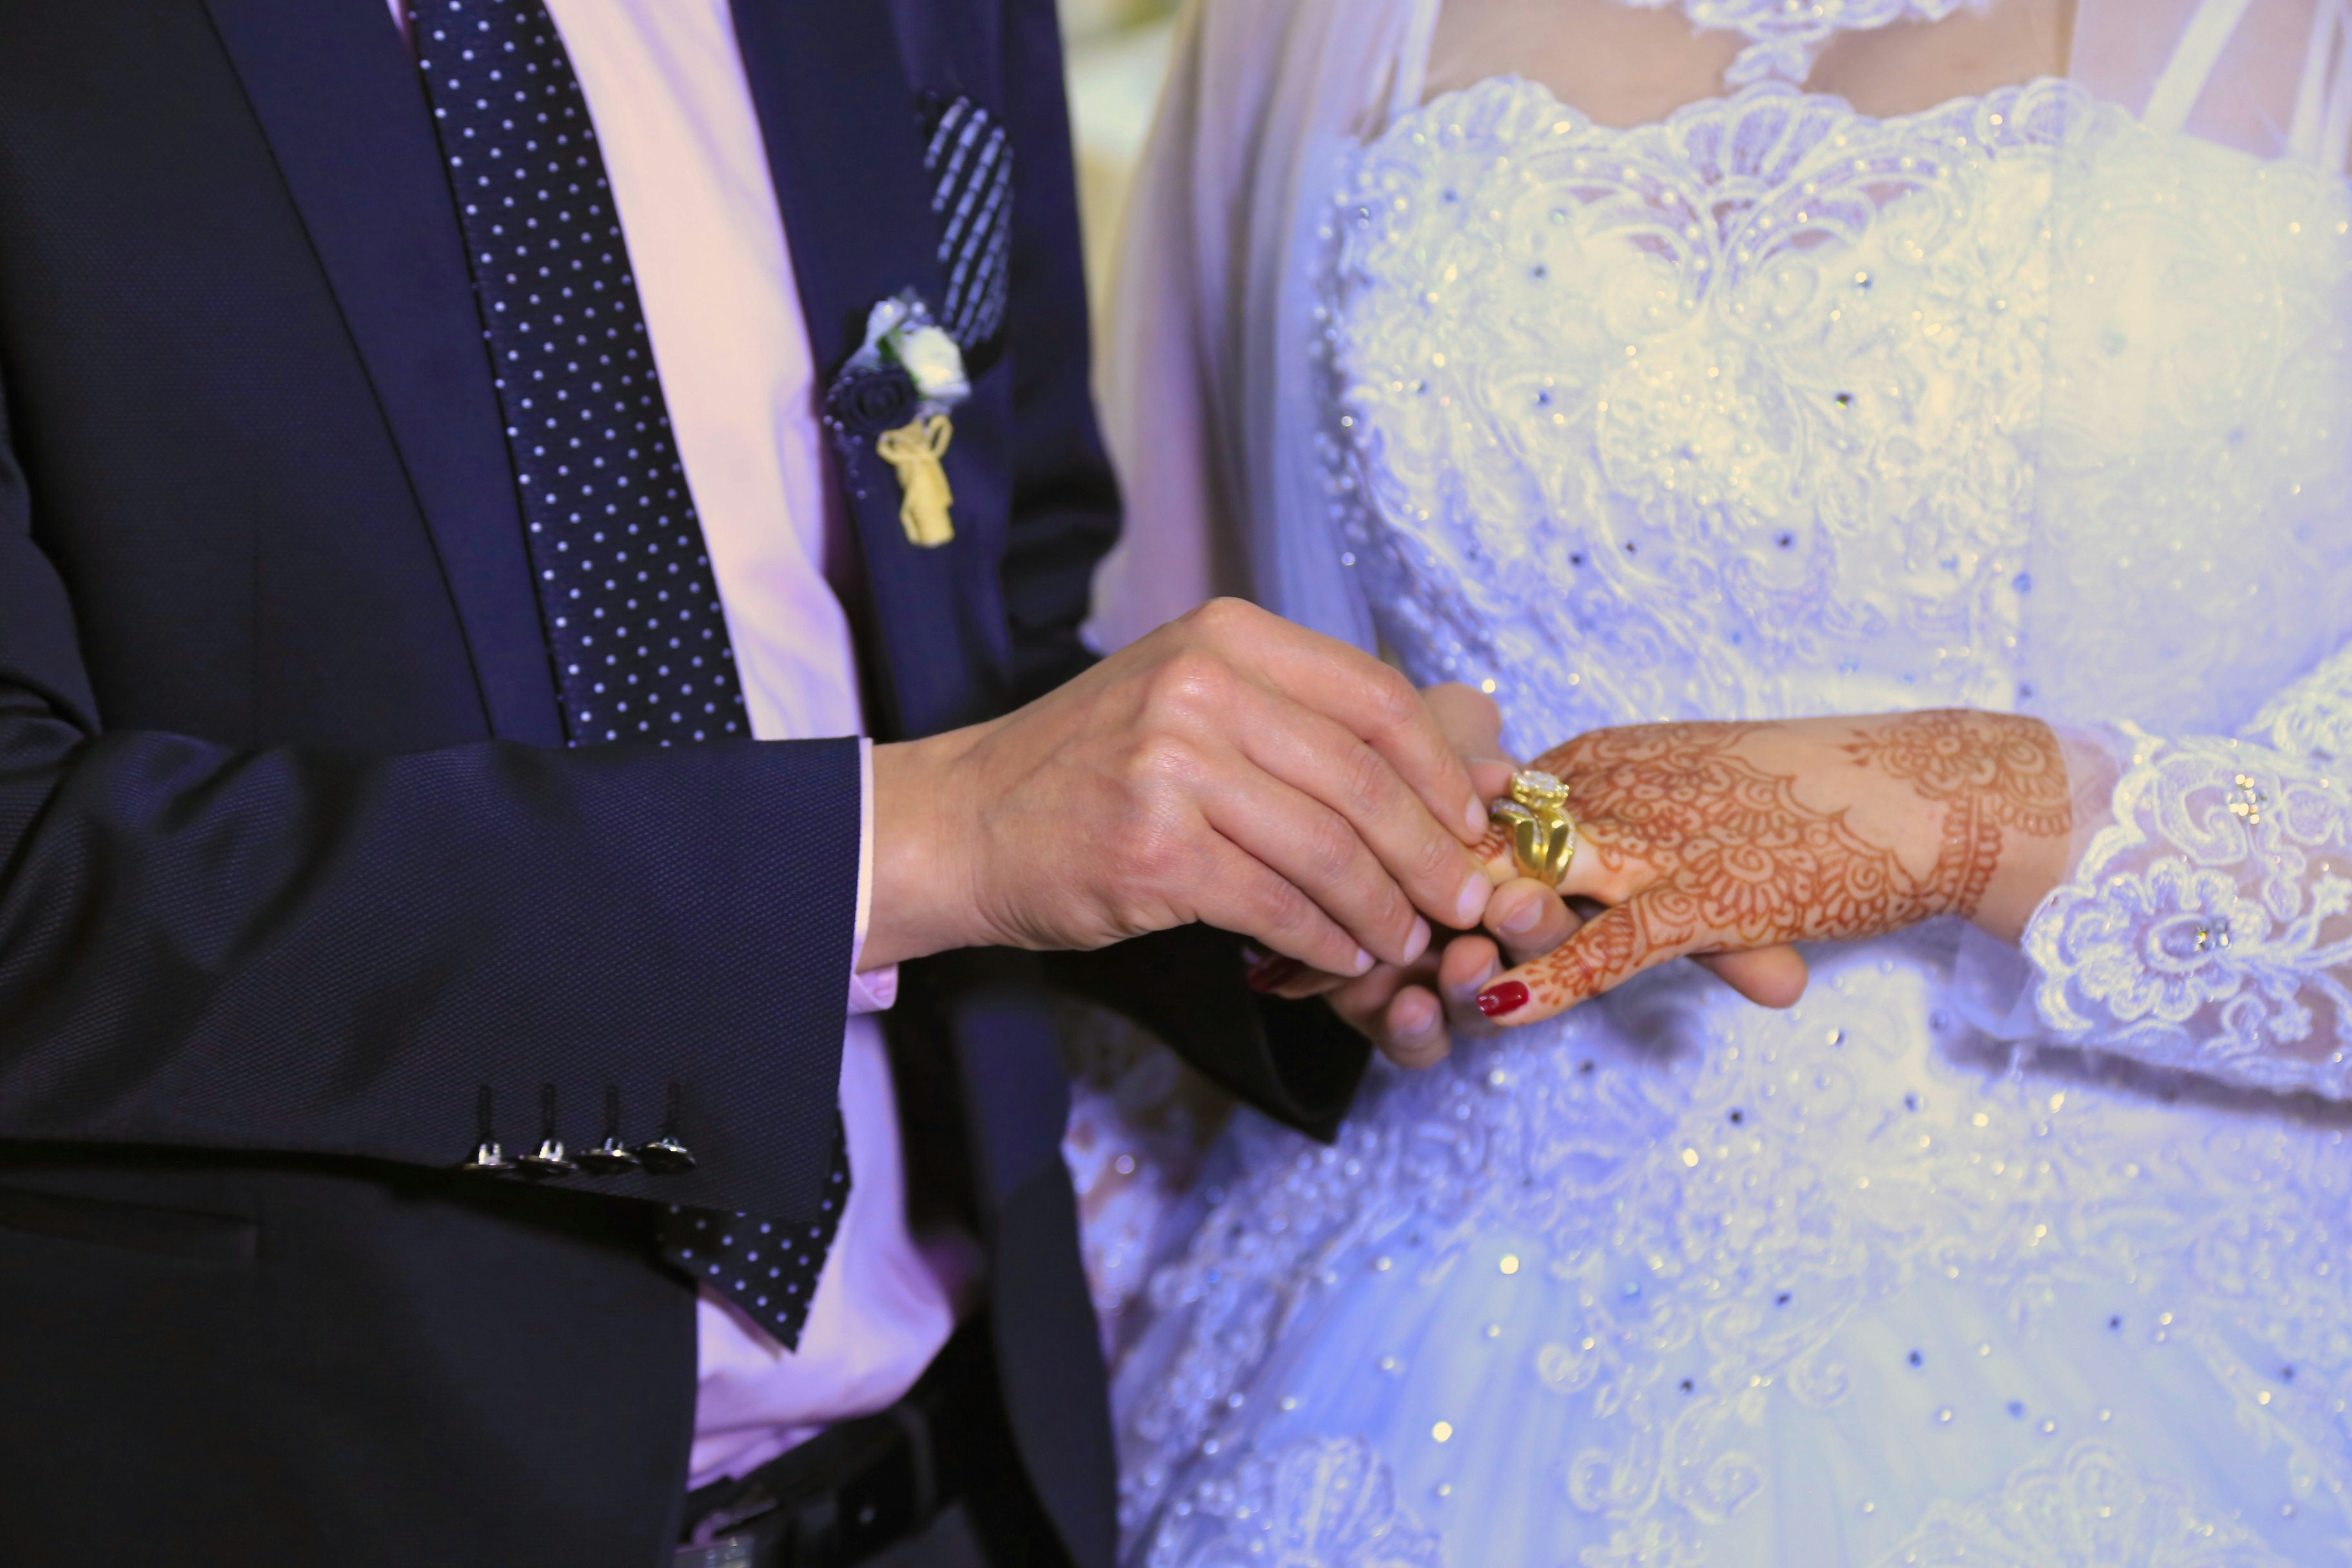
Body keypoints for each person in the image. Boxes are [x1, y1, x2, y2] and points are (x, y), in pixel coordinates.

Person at [0, 3, 1508, 1565]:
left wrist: (1330, 846)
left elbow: (1004, 613)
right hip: (301, 1494)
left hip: (968, 1482)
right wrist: (911, 840)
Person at [1095, 0, 2352, 1561]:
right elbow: (1168, 703)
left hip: (2168, 1330)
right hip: (1412, 1299)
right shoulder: (1311, 29)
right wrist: (1367, 864)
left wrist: (1980, 803)